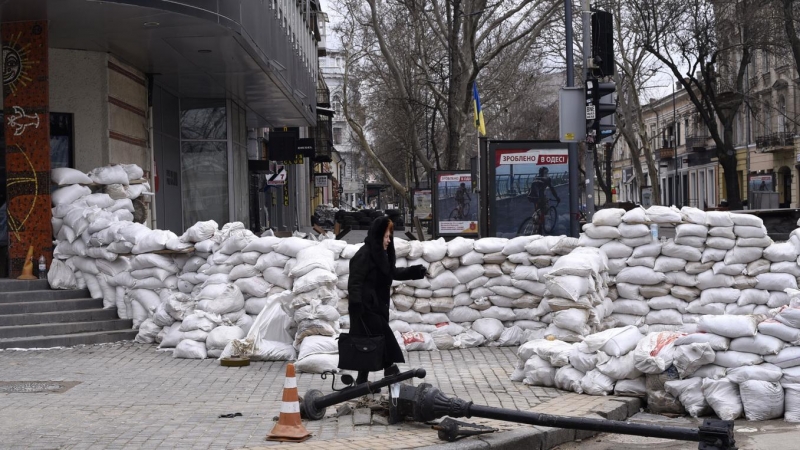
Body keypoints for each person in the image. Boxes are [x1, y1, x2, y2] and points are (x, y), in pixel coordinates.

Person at [345, 215, 427, 385]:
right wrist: (356, 305)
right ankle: (391, 371)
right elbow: (355, 281)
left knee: (370, 342)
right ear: (378, 236)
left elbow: (393, 273)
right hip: (365, 308)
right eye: (386, 237)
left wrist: (416, 271)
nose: (389, 241)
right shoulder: (364, 254)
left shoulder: (382, 255)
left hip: (377, 306)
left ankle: (362, 381)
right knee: (383, 338)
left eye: (390, 237)